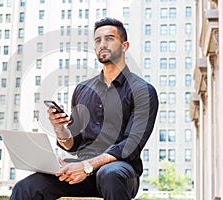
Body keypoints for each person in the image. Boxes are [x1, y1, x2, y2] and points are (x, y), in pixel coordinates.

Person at [10, 17, 158, 200]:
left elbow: (130, 146)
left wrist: (87, 166)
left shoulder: (143, 91)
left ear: (124, 46)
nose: (103, 44)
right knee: (27, 187)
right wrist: (60, 129)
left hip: (120, 171)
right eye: (98, 40)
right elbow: (74, 143)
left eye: (110, 38)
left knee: (110, 174)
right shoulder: (83, 89)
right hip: (82, 171)